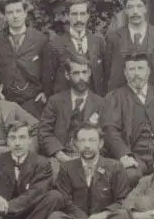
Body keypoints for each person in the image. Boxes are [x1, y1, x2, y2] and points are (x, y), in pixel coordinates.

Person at [102, 53, 154, 187]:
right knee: (130, 175)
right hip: (134, 155)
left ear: (148, 71)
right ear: (125, 73)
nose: (136, 73)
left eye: (140, 68)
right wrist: (124, 154)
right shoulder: (114, 97)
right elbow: (110, 131)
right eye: (131, 69)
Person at [45, 123, 131, 219]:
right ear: (75, 144)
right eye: (82, 140)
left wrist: (102, 215)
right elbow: (65, 200)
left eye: (92, 140)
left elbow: (123, 200)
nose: (87, 145)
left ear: (101, 143)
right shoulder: (67, 167)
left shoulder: (115, 167)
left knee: (124, 217)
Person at [38, 55, 105, 183]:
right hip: (61, 156)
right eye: (76, 73)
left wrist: (90, 156)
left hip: (91, 156)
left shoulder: (101, 103)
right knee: (57, 178)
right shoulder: (55, 101)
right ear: (67, 75)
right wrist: (59, 154)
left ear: (89, 73)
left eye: (84, 72)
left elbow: (105, 135)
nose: (81, 78)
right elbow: (44, 132)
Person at [0, 0, 51, 118]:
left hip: (33, 103)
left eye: (18, 11)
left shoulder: (40, 40)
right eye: (10, 12)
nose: (15, 16)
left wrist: (45, 92)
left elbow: (48, 71)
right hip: (5, 101)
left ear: (25, 13)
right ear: (4, 16)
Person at [104, 0, 154, 92]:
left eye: (139, 6)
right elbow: (107, 72)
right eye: (130, 7)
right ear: (125, 10)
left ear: (145, 8)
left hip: (152, 101)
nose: (135, 12)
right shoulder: (113, 38)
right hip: (122, 101)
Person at [46, 0, 106, 96]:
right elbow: (48, 81)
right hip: (67, 106)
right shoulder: (55, 44)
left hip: (95, 104)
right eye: (74, 14)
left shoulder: (98, 41)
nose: (79, 19)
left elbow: (105, 74)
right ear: (67, 16)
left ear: (88, 16)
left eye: (82, 14)